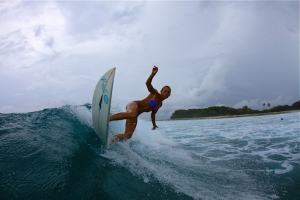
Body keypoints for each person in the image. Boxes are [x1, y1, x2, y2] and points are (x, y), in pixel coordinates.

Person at [110, 66, 171, 141]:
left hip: (136, 114)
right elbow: (148, 83)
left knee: (128, 135)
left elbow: (153, 114)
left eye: (168, 92)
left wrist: (154, 124)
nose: (166, 93)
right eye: (165, 91)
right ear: (161, 91)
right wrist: (152, 74)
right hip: (134, 105)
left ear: (169, 95)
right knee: (132, 114)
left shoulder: (160, 104)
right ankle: (107, 119)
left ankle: (111, 139)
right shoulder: (155, 93)